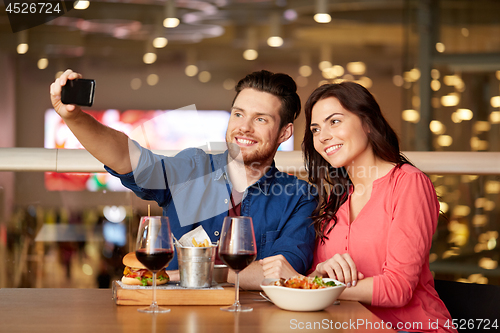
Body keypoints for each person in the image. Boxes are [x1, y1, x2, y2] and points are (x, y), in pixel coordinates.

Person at [50, 69, 316, 290]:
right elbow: (126, 156)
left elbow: (283, 274)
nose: (244, 127)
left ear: (284, 132)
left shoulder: (299, 197)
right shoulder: (192, 168)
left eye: (260, 119)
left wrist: (179, 275)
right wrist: (73, 117)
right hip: (178, 319)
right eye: (238, 114)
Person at [262, 82, 456, 333]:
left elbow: (398, 289)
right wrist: (319, 274)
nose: (322, 136)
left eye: (334, 121)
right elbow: (317, 279)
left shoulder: (409, 183)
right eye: (315, 129)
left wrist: (315, 285)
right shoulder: (337, 197)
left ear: (367, 122)